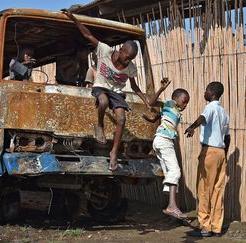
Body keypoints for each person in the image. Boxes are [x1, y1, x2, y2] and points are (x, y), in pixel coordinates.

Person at [63, 9, 151, 171]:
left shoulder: (130, 68)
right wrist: (73, 18)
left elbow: (134, 86)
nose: (128, 60)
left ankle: (113, 153)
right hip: (101, 87)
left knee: (122, 119)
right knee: (102, 101)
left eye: (131, 59)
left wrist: (147, 102)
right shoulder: (105, 50)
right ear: (121, 51)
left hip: (117, 93)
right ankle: (100, 125)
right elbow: (88, 35)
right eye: (127, 56)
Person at [185, 81, 230, 238]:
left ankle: (205, 227)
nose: (204, 92)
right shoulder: (224, 112)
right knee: (218, 190)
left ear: (211, 92)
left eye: (206, 90)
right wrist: (225, 155)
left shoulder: (210, 107)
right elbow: (228, 137)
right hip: (221, 152)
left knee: (204, 189)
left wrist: (191, 127)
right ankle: (217, 227)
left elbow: (202, 118)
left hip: (210, 152)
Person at [143, 78, 190, 219]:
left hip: (162, 141)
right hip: (164, 141)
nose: (185, 105)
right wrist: (161, 89)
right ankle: (172, 206)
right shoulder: (169, 103)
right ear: (176, 99)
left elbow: (159, 116)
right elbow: (151, 103)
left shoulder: (175, 111)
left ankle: (172, 207)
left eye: (187, 102)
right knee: (175, 171)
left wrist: (150, 119)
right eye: (184, 101)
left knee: (170, 172)